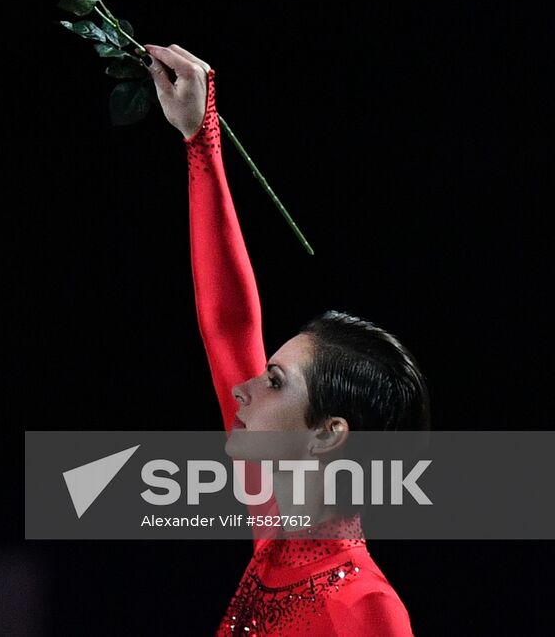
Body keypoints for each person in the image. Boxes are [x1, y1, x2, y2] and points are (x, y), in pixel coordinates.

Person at [144, 43, 428, 636]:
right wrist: (200, 139)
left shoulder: (368, 610)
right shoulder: (277, 528)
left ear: (327, 434)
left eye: (274, 381)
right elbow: (227, 325)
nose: (242, 390)